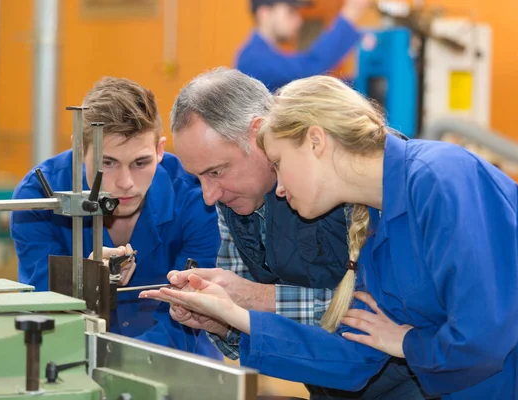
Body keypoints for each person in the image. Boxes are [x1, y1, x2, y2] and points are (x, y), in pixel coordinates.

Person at [143, 74, 518, 399]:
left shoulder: (443, 177)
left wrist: (407, 344)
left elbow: (483, 337)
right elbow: (356, 354)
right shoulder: (372, 228)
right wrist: (233, 317)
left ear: (315, 141)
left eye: (280, 164)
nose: (279, 189)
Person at [163, 67, 426, 399]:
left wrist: (254, 300)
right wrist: (220, 318)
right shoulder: (234, 199)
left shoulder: (349, 179)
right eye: (198, 177)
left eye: (216, 171)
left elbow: (377, 316)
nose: (208, 194)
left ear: (257, 134)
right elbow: (257, 330)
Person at [10, 76, 222, 360]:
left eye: (140, 162)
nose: (125, 183)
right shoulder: (36, 198)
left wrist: (121, 364)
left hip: (178, 363)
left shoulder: (196, 199)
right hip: (70, 358)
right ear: (79, 152)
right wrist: (84, 279)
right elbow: (44, 304)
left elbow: (185, 318)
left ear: (160, 151)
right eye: (107, 163)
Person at [236, 0, 370, 92]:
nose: (299, 21)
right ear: (264, 13)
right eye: (290, 12)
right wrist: (352, 10)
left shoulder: (264, 54)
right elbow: (310, 67)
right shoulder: (254, 59)